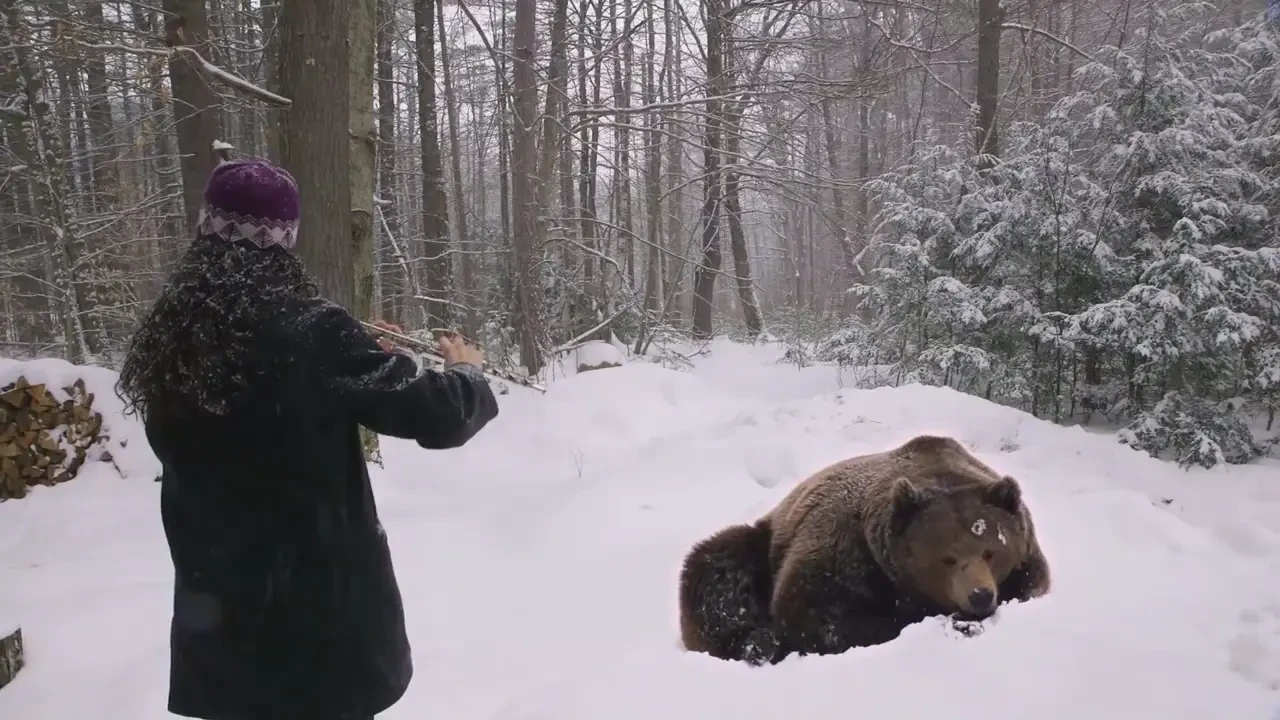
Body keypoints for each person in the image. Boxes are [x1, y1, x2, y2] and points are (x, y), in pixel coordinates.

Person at [115, 159, 500, 719]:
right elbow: (436, 415)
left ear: (206, 229)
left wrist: (363, 359)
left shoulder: (175, 331)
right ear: (284, 239)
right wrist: (466, 372)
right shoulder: (308, 327)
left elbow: (244, 421)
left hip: (222, 618)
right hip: (314, 630)